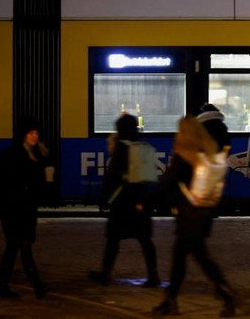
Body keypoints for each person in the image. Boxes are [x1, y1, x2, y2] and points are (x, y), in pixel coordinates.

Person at [153, 107, 238, 317]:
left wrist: (146, 203)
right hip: (204, 212)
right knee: (192, 256)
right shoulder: (206, 151)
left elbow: (167, 183)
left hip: (188, 214)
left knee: (190, 258)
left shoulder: (184, 155)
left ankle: (223, 292)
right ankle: (172, 299)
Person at [0, 117, 54, 299]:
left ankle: (7, 286)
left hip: (25, 209)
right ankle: (35, 287)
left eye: (36, 133)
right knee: (19, 245)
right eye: (31, 133)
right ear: (23, 135)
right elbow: (8, 182)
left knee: (16, 247)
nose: (34, 136)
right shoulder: (13, 154)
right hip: (13, 209)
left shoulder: (38, 154)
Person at [90, 114, 159, 287]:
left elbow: (112, 178)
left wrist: (103, 199)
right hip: (141, 201)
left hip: (123, 203)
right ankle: (153, 275)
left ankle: (105, 274)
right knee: (145, 240)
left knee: (113, 239)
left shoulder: (121, 149)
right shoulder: (143, 146)